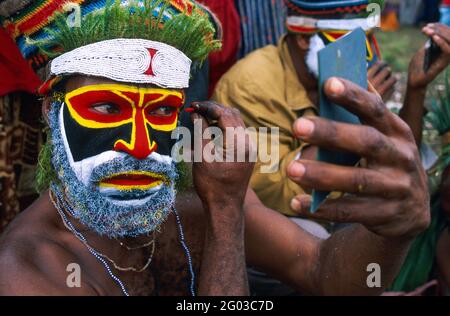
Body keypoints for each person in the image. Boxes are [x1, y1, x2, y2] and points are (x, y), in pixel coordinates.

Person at [0, 0, 429, 296]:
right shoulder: (27, 272)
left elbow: (325, 273)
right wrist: (225, 222)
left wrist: (390, 233)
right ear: (50, 111)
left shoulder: (195, 201)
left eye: (162, 111)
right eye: (107, 107)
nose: (140, 143)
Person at [213, 0, 450, 218]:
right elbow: (280, 195)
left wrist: (416, 88)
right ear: (304, 39)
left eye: (369, 40)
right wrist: (354, 112)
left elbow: (399, 165)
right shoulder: (249, 84)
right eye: (352, 41)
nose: (365, 55)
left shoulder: (345, 71)